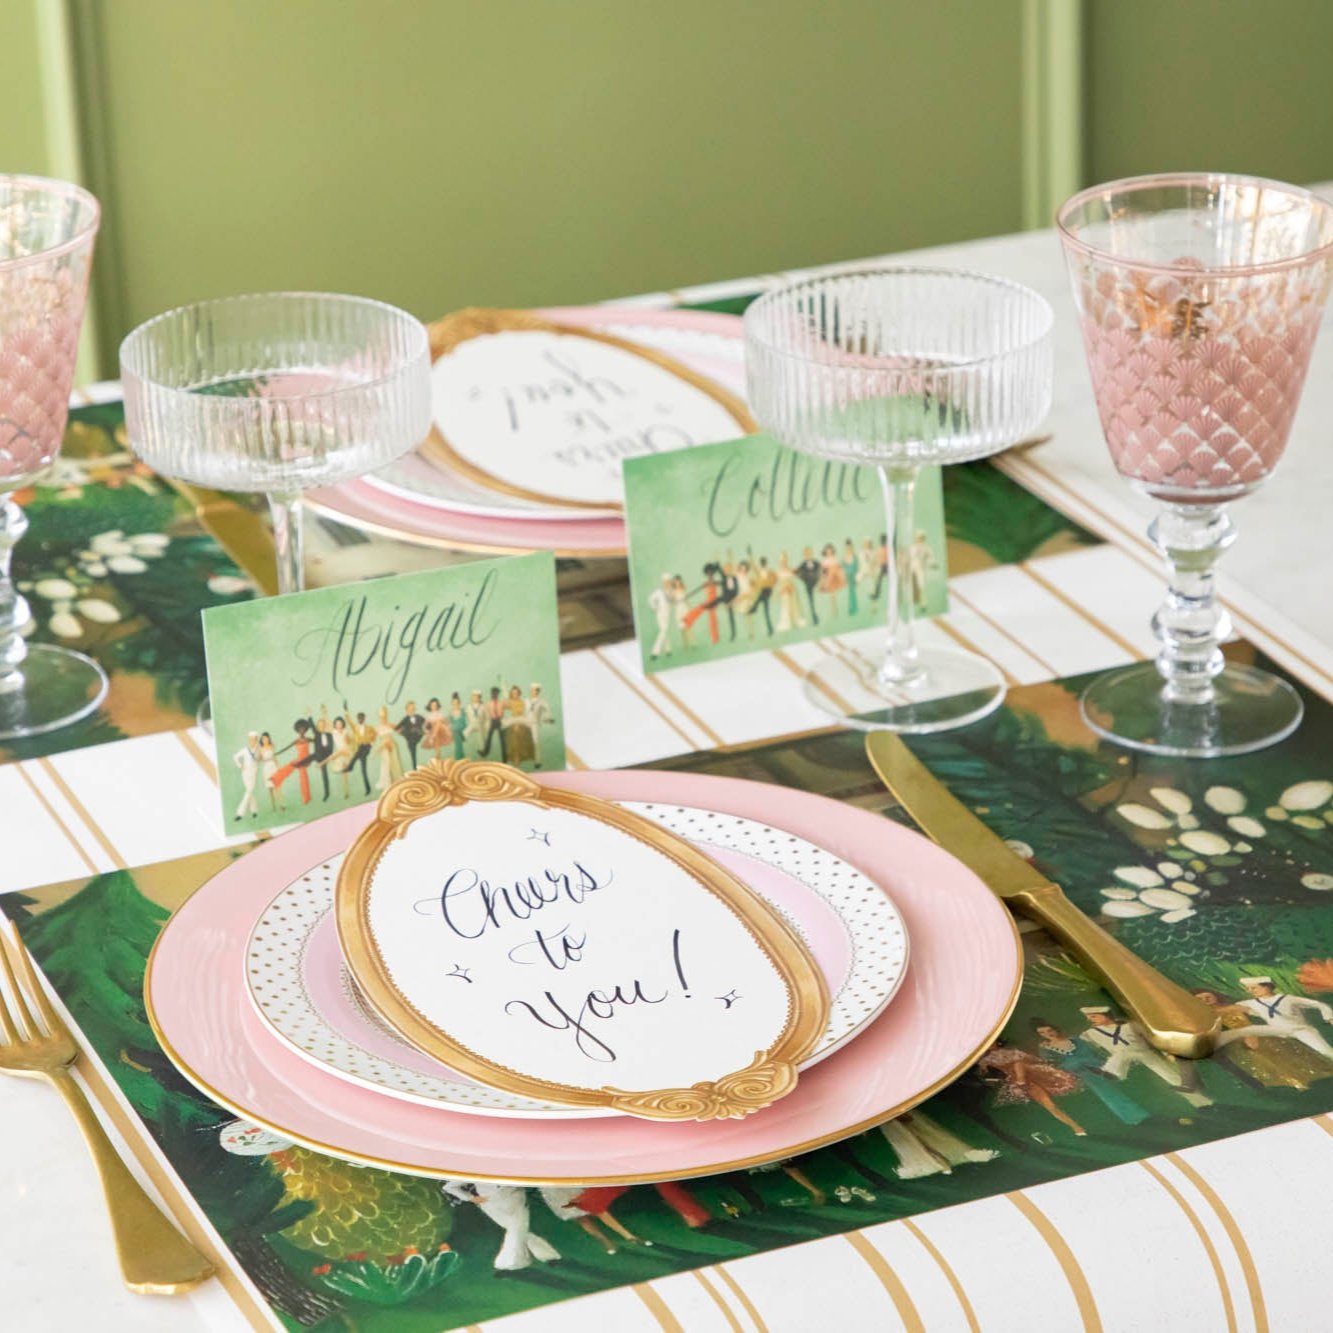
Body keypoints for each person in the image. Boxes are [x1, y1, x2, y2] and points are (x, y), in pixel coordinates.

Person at [1194, 988, 1333, 1090]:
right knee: (1266, 1065)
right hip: (1240, 1044)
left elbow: (1249, 1017)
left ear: (1215, 995)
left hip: (1263, 1037)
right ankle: (1293, 1085)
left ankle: (1315, 1078)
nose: (1205, 1000)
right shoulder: (1207, 1015)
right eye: (1199, 999)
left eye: (1207, 996)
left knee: (1288, 1057)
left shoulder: (1233, 1006)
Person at [1079, 1006, 1213, 1108]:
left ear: (1105, 1015)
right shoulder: (1091, 1033)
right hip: (1121, 1056)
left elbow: (1150, 1038)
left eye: (1094, 1016)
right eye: (1089, 1018)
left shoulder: (1130, 1026)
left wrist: (1166, 1053)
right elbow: (1084, 1043)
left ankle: (1202, 1103)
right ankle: (1111, 1072)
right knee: (1120, 1054)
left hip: (1143, 1052)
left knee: (1169, 1076)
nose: (1090, 1020)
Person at [1032, 1019, 1150, 1125]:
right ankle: (1135, 1117)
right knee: (1109, 1094)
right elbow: (1054, 1066)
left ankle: (1147, 1109)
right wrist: (1075, 1065)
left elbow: (1094, 1052)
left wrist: (1099, 1063)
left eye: (1050, 1030)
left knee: (1125, 1086)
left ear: (1055, 1029)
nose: (1048, 1034)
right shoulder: (1046, 1048)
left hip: (1100, 1066)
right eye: (1042, 1033)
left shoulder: (1076, 1039)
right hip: (1083, 1073)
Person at [976, 1039, 1087, 1136]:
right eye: (987, 1043)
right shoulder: (985, 1061)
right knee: (1049, 1105)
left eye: (992, 1041)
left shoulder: (1013, 1051)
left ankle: (1080, 1122)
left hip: (1037, 1074)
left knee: (1065, 1097)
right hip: (1023, 1082)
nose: (991, 1044)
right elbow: (986, 1076)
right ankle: (1076, 1127)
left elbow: (1033, 1060)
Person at [442, 1182, 559, 1271]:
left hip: (515, 1196)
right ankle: (548, 1256)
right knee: (517, 1230)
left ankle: (512, 1262)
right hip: (491, 1202)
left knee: (517, 1228)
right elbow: (449, 1187)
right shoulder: (475, 1169)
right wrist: (471, 1198)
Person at [877, 1110, 998, 1178]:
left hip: (897, 1113)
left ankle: (942, 1161)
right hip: (888, 1119)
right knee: (910, 1141)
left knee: (925, 1135)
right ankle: (936, 1162)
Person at [1237, 977, 1333, 1059]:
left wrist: (1329, 1018)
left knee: (1325, 1051)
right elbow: (1235, 1008)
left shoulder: (1288, 999)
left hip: (1300, 1030)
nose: (1250, 991)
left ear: (1267, 987)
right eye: (1248, 989)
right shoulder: (1251, 1002)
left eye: (1254, 988)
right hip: (1277, 1031)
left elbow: (1318, 1004)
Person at [269, 719, 313, 807]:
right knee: (290, 766)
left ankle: (306, 798)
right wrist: (275, 754)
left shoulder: (309, 739)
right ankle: (275, 778)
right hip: (300, 759)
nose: (302, 731)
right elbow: (285, 749)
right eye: (300, 729)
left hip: (306, 760)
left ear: (306, 730)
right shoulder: (296, 741)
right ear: (297, 730)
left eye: (303, 729)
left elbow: (318, 741)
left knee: (303, 777)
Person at [343, 708, 375, 797]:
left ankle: (350, 767)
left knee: (358, 754)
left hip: (366, 747)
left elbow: (374, 734)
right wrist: (346, 712)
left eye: (362, 718)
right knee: (363, 770)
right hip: (360, 747)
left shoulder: (369, 727)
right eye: (359, 718)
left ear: (364, 718)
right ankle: (368, 788)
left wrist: (371, 743)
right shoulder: (355, 727)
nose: (360, 719)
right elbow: (349, 722)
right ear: (357, 719)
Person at [305, 709, 335, 800]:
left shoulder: (329, 734)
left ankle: (327, 793)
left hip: (327, 755)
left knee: (324, 773)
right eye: (319, 726)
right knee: (322, 771)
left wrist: (324, 713)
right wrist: (309, 715)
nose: (321, 727)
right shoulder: (317, 734)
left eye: (323, 725)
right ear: (318, 727)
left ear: (325, 726)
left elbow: (331, 747)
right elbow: (312, 725)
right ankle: (327, 793)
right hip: (319, 756)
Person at [503, 685, 536, 764]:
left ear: (519, 693)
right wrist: (506, 700)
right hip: (513, 719)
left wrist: (517, 724)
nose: (515, 695)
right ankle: (513, 756)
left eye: (517, 693)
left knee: (518, 731)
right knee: (508, 731)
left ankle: (519, 757)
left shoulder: (522, 701)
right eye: (513, 693)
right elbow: (505, 706)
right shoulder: (510, 701)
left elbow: (520, 712)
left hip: (520, 719)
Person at [374, 706, 404, 792]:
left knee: (395, 763)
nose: (383, 718)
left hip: (392, 745)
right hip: (384, 747)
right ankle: (388, 784)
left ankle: (397, 782)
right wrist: (378, 747)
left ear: (386, 715)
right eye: (381, 716)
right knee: (386, 764)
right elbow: (373, 739)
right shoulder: (377, 727)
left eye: (384, 715)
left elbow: (400, 731)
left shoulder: (390, 724)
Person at [907, 529, 938, 612]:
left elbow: (931, 557)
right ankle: (914, 601)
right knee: (913, 586)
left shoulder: (927, 548)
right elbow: (908, 558)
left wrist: (933, 564)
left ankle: (923, 604)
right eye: (918, 538)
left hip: (921, 569)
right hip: (912, 569)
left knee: (921, 586)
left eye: (921, 538)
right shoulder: (912, 547)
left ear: (924, 538)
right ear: (916, 538)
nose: (919, 539)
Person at [233, 731, 261, 821]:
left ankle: (240, 813)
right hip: (245, 773)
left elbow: (261, 758)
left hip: (253, 773)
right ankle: (254, 811)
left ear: (256, 740)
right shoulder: (245, 750)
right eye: (250, 739)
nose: (252, 741)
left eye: (254, 739)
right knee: (250, 792)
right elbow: (235, 757)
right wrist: (240, 765)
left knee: (249, 791)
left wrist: (259, 758)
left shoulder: (259, 749)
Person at [774, 551, 804, 632]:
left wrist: (791, 585)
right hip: (784, 590)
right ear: (779, 561)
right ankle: (787, 622)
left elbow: (797, 575)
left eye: (785, 560)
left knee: (794, 605)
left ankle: (795, 620)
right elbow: (778, 583)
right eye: (782, 560)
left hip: (792, 589)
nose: (783, 562)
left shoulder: (791, 569)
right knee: (785, 606)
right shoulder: (778, 571)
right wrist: (779, 592)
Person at [326, 716, 354, 799]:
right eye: (337, 724)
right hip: (339, 752)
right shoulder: (333, 732)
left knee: (345, 771)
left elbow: (349, 741)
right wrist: (324, 713)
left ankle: (347, 790)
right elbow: (328, 724)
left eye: (340, 723)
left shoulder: (346, 731)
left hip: (346, 751)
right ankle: (346, 791)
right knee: (343, 772)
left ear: (342, 724)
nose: (339, 725)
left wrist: (347, 739)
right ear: (335, 724)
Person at [747, 556, 776, 636]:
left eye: (764, 562)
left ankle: (754, 608)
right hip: (763, 591)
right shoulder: (759, 571)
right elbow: (753, 566)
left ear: (766, 563)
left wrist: (767, 583)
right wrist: (749, 554)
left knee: (762, 604)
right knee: (766, 611)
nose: (763, 564)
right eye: (762, 562)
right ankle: (770, 629)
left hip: (767, 590)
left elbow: (774, 580)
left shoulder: (769, 571)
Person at [818, 542, 847, 618]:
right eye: (827, 552)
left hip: (835, 577)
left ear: (832, 551)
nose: (829, 553)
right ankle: (834, 610)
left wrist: (842, 577)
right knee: (832, 594)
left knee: (834, 594)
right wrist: (822, 581)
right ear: (825, 552)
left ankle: (835, 609)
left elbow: (839, 568)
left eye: (830, 551)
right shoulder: (824, 561)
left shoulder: (835, 559)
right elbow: (823, 572)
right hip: (829, 579)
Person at [649, 573, 673, 659]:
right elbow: (651, 599)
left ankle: (668, 650)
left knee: (664, 631)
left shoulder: (671, 591)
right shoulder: (659, 591)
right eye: (665, 582)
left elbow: (673, 602)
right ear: (663, 582)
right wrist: (655, 607)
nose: (667, 583)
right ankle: (655, 652)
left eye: (668, 582)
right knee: (663, 630)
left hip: (667, 614)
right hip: (659, 613)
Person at [396, 701, 426, 769]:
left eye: (413, 708)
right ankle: (414, 768)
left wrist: (424, 731)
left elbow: (428, 724)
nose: (411, 710)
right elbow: (397, 728)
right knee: (413, 754)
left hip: (419, 737)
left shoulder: (419, 717)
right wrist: (404, 734)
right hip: (411, 740)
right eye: (409, 709)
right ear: (406, 710)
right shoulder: (405, 719)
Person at [478, 686, 506, 758]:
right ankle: (485, 752)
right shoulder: (489, 703)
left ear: (497, 694)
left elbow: (503, 710)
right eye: (493, 693)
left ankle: (505, 757)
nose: (494, 695)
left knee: (502, 739)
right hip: (493, 721)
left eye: (495, 693)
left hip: (499, 720)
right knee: (489, 737)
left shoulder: (501, 703)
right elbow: (483, 708)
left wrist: (500, 716)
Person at [796, 546, 821, 624]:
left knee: (818, 600)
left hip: (817, 584)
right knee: (811, 601)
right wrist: (804, 579)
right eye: (806, 553)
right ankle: (814, 617)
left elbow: (820, 572)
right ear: (804, 554)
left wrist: (818, 580)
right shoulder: (802, 564)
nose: (808, 555)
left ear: (812, 553)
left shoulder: (816, 562)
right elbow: (798, 573)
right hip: (808, 585)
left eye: (809, 553)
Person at [423, 697, 451, 762]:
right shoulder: (429, 715)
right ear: (430, 706)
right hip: (435, 732)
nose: (434, 707)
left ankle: (432, 738)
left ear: (437, 706)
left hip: (442, 730)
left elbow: (447, 723)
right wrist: (427, 731)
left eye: (435, 705)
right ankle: (438, 755)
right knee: (436, 737)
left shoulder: (440, 714)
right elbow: (425, 726)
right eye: (432, 705)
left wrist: (448, 729)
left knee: (438, 723)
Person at [257, 732, 279, 811]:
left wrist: (277, 766)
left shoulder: (272, 746)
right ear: (261, 740)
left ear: (268, 738)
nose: (264, 740)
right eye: (263, 739)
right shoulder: (260, 748)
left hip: (273, 766)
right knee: (270, 788)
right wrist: (260, 758)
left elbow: (274, 757)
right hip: (266, 768)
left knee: (276, 786)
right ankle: (273, 806)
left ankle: (281, 804)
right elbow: (259, 759)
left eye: (266, 738)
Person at [669, 575, 692, 647]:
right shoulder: (673, 591)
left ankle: (692, 643)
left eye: (679, 580)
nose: (677, 582)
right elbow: (672, 601)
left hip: (685, 608)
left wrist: (689, 607)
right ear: (674, 582)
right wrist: (674, 601)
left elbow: (686, 599)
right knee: (682, 627)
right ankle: (685, 644)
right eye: (676, 581)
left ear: (680, 581)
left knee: (688, 626)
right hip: (678, 609)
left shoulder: (683, 588)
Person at [841, 539, 860, 616]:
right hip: (848, 576)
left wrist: (856, 577)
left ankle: (853, 608)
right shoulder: (844, 557)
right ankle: (852, 608)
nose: (849, 549)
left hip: (853, 576)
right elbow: (843, 567)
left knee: (852, 592)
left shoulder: (854, 557)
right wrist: (845, 576)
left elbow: (856, 567)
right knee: (851, 591)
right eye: (847, 548)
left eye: (850, 547)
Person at [448, 692, 467, 760]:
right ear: (452, 704)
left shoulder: (462, 711)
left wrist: (456, 726)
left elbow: (464, 722)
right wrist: (451, 727)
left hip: (461, 726)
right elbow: (450, 723)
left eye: (457, 704)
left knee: (456, 732)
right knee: (457, 738)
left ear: (459, 704)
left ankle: (457, 758)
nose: (455, 705)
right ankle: (461, 756)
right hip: (455, 729)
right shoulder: (451, 712)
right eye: (454, 704)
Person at [872, 533, 889, 601]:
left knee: (891, 580)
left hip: (888, 566)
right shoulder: (879, 549)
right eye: (882, 540)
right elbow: (876, 558)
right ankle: (876, 594)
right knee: (878, 580)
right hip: (882, 566)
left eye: (884, 540)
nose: (883, 542)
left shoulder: (888, 549)